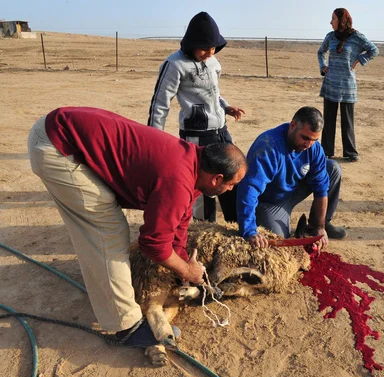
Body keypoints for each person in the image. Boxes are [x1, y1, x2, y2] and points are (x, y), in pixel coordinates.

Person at [28, 107, 247, 347]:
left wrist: (183, 262)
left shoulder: (195, 163)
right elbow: (152, 243)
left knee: (102, 226)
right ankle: (126, 327)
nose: (231, 190)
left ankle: (109, 290)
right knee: (108, 231)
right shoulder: (177, 180)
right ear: (216, 178)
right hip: (57, 146)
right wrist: (185, 270)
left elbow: (179, 222)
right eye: (231, 184)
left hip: (65, 133)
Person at [148, 11, 245, 223]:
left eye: (213, 47)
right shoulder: (174, 65)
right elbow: (160, 104)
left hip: (220, 131)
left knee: (230, 175)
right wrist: (153, 139)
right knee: (201, 183)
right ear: (191, 43)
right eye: (204, 47)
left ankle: (234, 224)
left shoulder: (213, 62)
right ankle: (202, 229)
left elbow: (214, 92)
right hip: (196, 135)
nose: (209, 52)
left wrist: (226, 107)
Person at [236, 106, 347, 248]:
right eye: (305, 138)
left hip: (294, 189)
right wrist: (249, 230)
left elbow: (321, 187)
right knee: (281, 243)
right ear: (292, 126)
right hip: (270, 202)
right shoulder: (268, 147)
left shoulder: (313, 147)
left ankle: (318, 224)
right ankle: (274, 221)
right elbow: (249, 189)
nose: (308, 144)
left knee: (333, 169)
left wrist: (319, 227)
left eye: (314, 139)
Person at [317, 8, 378, 162]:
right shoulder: (330, 37)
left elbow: (373, 50)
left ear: (342, 20)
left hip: (347, 86)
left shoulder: (356, 37)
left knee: (347, 121)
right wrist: (323, 66)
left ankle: (350, 152)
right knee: (328, 120)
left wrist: (359, 60)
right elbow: (320, 52)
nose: (330, 22)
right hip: (331, 83)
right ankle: (326, 151)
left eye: (333, 19)